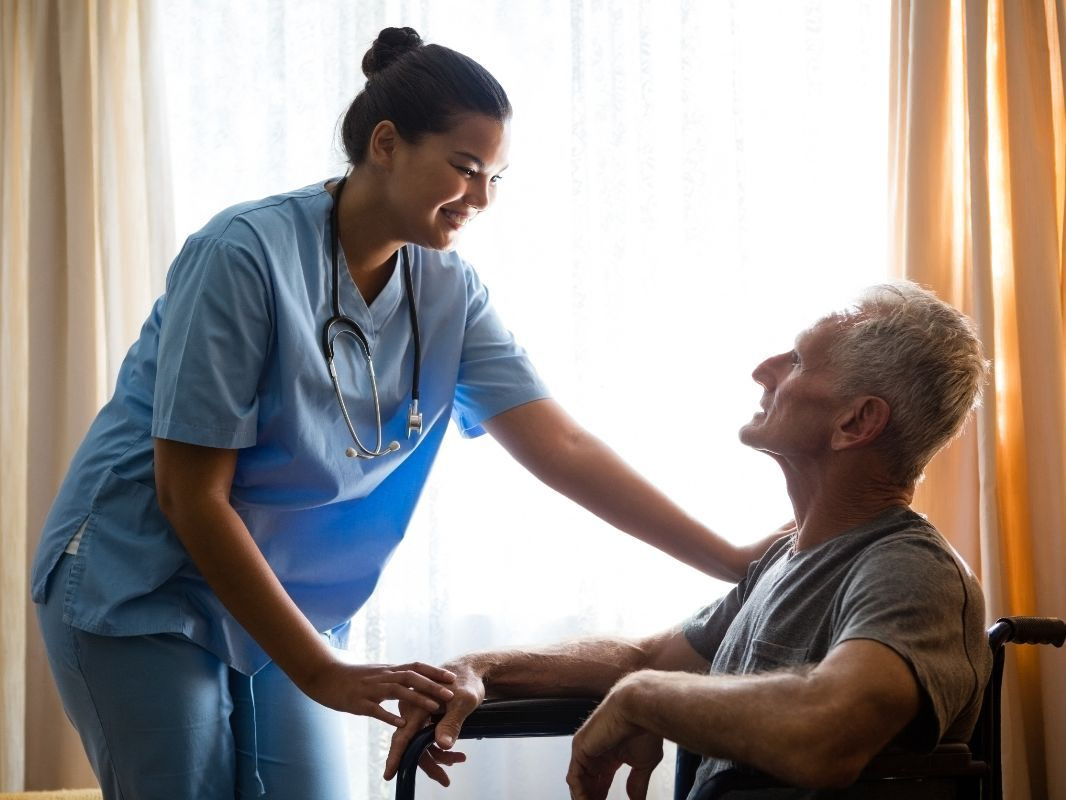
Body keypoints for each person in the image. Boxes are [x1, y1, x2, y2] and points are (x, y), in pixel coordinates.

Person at [30, 26, 777, 800]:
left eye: (495, 178)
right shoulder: (243, 254)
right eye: (465, 168)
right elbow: (190, 495)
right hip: (148, 578)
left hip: (287, 592)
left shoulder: (449, 290)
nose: (481, 199)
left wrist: (731, 560)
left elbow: (562, 445)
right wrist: (320, 669)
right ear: (386, 143)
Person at [385, 282, 994, 800]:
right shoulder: (785, 561)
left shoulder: (910, 570)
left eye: (800, 362)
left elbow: (829, 731)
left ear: (856, 422)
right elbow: (642, 661)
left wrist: (646, 700)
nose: (764, 370)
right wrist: (476, 668)